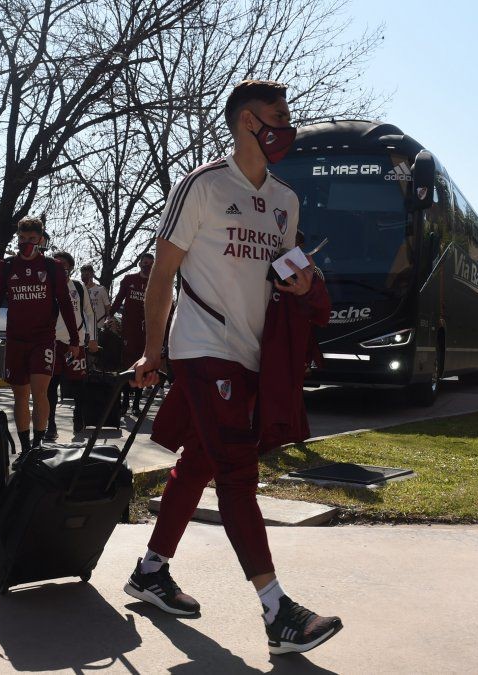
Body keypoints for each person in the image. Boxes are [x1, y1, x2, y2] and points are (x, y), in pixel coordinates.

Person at [123, 80, 342, 655]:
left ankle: (150, 571)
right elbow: (161, 275)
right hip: (201, 347)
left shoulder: (286, 201)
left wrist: (301, 285)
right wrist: (153, 349)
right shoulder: (200, 186)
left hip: (253, 353)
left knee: (199, 463)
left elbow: (281, 276)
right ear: (248, 122)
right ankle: (277, 612)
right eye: (278, 116)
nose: (287, 127)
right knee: (237, 474)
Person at [0, 218, 81, 457]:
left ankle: (38, 443)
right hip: (15, 339)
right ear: (18, 237)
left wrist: (75, 340)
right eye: (23, 238)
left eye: (32, 239)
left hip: (43, 339)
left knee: (40, 392)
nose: (26, 243)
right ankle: (25, 447)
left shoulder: (51, 266)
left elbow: (65, 303)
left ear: (41, 240)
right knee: (20, 395)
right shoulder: (6, 266)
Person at [45, 250, 97, 440]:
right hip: (52, 344)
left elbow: (90, 313)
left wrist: (92, 338)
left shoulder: (78, 287)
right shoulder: (46, 285)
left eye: (64, 266)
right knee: (51, 386)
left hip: (75, 344)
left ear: (70, 268)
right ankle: (50, 424)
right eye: (56, 264)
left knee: (79, 385)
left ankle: (78, 418)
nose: (61, 269)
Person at [109, 252, 153, 414]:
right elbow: (119, 299)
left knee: (143, 367)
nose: (146, 266)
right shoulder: (129, 280)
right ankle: (125, 402)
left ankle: (136, 405)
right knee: (127, 366)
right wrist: (109, 315)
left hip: (146, 332)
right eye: (144, 262)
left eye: (150, 263)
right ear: (139, 263)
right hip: (129, 330)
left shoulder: (155, 282)